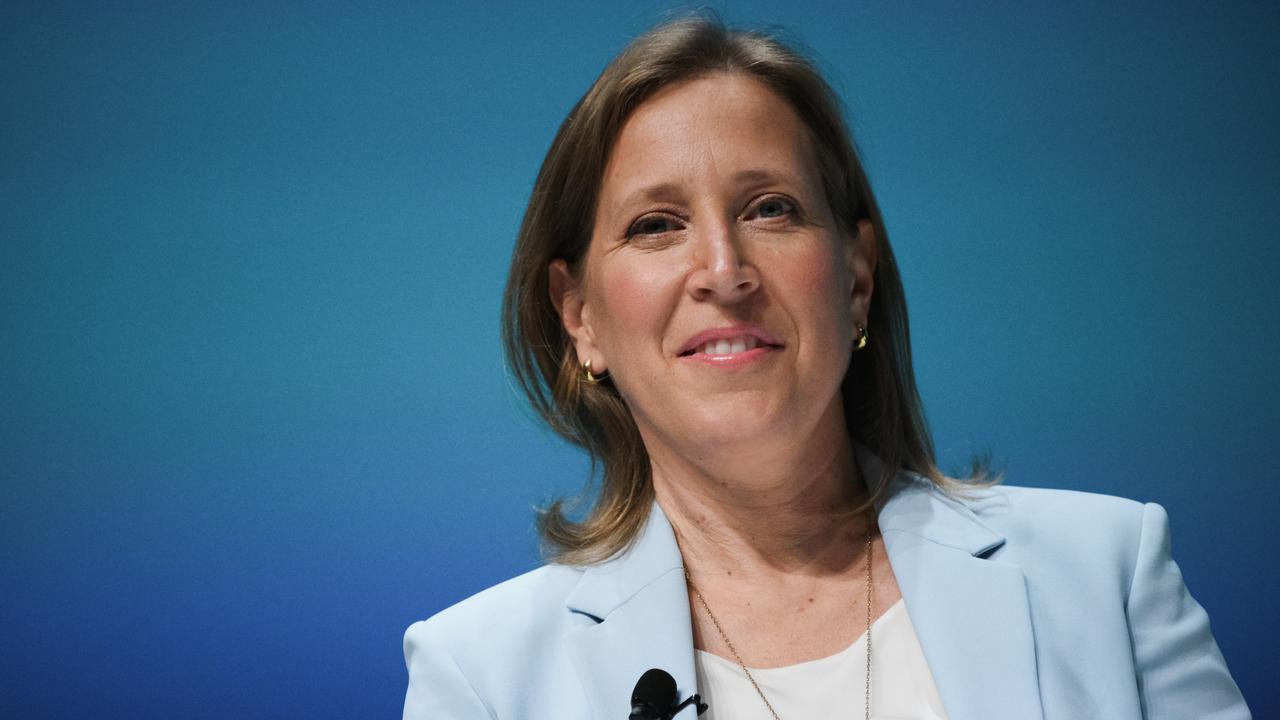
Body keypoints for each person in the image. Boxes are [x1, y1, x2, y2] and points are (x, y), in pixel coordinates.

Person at [403, 17, 1250, 720]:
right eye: (657, 225)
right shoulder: (481, 677)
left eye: (771, 209)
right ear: (579, 317)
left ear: (854, 279)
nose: (724, 270)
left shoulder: (1106, 575)